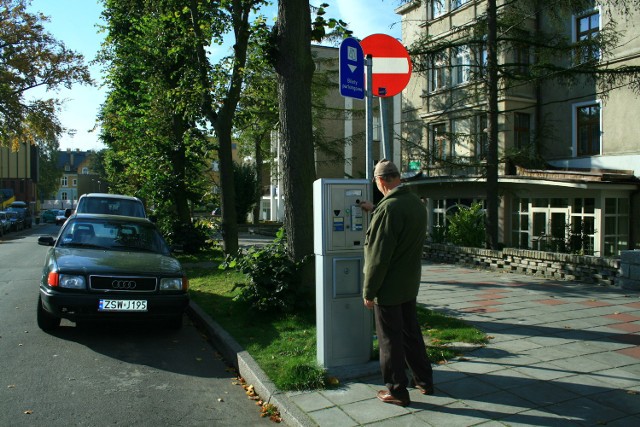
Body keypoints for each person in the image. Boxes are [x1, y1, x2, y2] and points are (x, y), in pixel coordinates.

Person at [360, 159, 433, 407]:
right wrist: (376, 210)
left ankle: (397, 390)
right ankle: (424, 381)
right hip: (409, 284)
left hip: (389, 289)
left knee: (389, 341)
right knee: (411, 334)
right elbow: (397, 227)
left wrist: (369, 291)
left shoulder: (388, 210)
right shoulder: (414, 203)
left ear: (380, 181)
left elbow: (378, 258)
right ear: (397, 177)